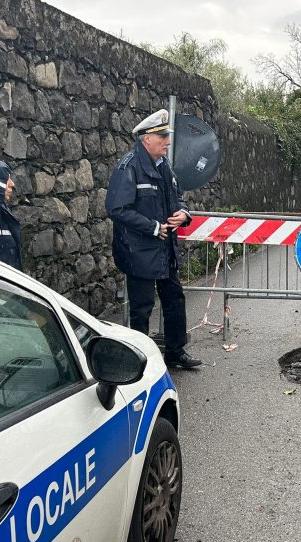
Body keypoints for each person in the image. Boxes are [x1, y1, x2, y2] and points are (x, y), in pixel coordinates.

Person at [106, 108, 202, 369]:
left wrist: (183, 213)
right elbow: (116, 209)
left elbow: (178, 197)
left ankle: (175, 352)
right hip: (139, 251)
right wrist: (152, 227)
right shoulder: (128, 168)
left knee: (174, 299)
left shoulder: (164, 167)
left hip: (164, 249)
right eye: (162, 138)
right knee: (142, 308)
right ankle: (139, 360)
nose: (167, 142)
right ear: (146, 139)